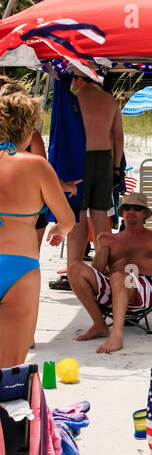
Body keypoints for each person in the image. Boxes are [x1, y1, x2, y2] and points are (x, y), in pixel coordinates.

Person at [0, 91, 76, 366]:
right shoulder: (35, 165)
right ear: (28, 128)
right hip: (20, 265)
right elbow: (68, 219)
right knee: (10, 368)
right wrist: (59, 230)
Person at [68, 191, 152, 354]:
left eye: (137, 208)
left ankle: (117, 335)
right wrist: (102, 251)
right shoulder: (110, 239)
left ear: (145, 213)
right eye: (128, 207)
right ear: (122, 212)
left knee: (119, 276)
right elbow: (97, 272)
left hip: (144, 291)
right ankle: (99, 324)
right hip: (113, 290)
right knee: (74, 267)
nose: (131, 211)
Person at [66, 75, 124, 268]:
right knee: (100, 215)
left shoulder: (75, 98)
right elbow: (118, 138)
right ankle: (103, 265)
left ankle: (74, 265)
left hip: (80, 158)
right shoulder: (109, 100)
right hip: (104, 160)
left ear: (78, 79)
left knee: (79, 215)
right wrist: (116, 168)